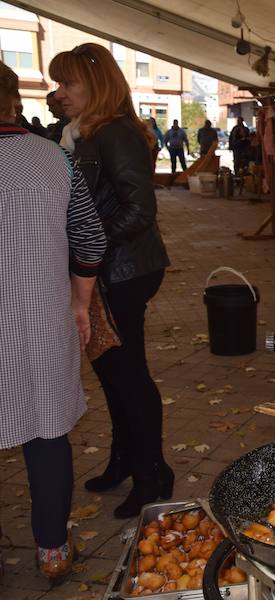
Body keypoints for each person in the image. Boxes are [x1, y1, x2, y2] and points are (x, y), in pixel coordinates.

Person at [49, 43, 173, 519]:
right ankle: (125, 460)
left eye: (68, 83)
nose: (59, 93)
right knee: (111, 372)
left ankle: (152, 474)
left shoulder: (115, 132)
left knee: (128, 375)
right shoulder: (83, 132)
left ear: (95, 86)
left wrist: (89, 248)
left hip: (124, 272)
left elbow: (140, 209)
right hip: (107, 270)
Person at [0, 61, 106, 583]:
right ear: (12, 101)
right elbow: (90, 240)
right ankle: (52, 550)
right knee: (46, 430)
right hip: (41, 318)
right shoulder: (56, 160)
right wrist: (80, 303)